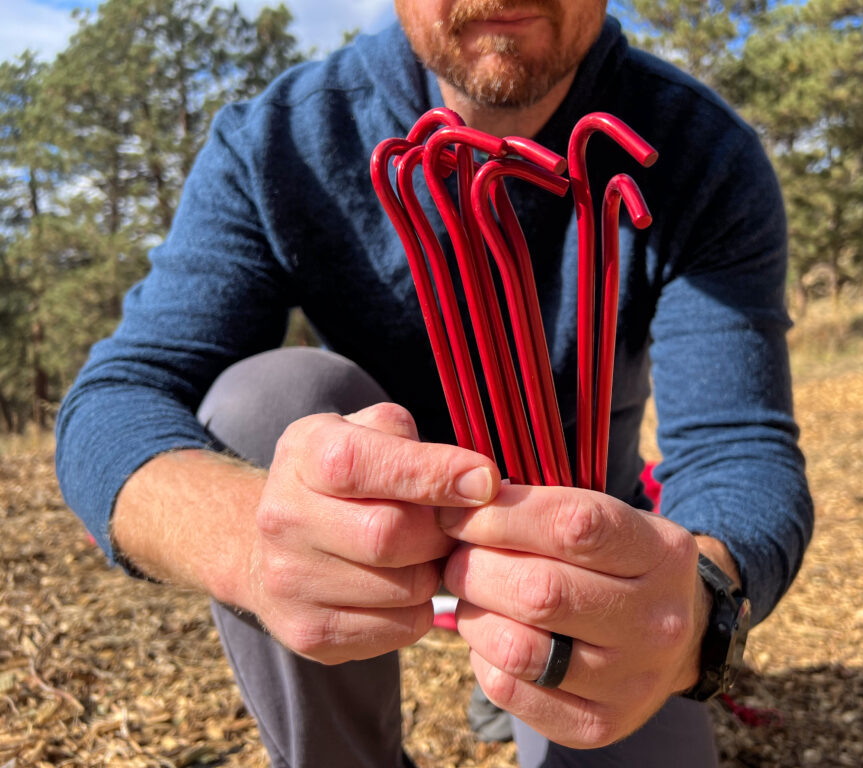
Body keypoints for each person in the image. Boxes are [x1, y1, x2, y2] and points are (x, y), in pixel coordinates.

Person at [55, 1, 814, 766]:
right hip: (369, 531)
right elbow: (114, 403)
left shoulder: (693, 150)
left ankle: (516, 680)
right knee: (263, 403)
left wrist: (696, 605)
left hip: (587, 542)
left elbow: (737, 445)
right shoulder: (283, 141)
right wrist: (250, 544)